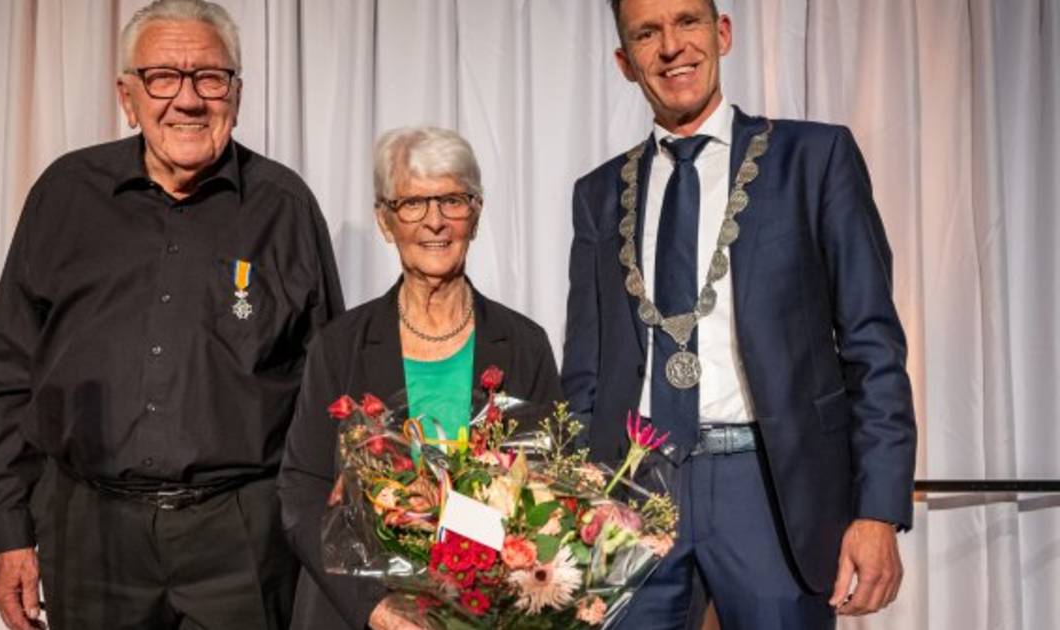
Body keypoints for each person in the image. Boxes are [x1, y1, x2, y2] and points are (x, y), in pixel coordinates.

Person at [0, 1, 344, 628]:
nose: (188, 99)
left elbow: (328, 395)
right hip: (89, 537)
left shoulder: (286, 208)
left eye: (210, 77)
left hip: (243, 541)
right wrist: (11, 530)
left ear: (237, 93)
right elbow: (6, 373)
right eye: (163, 76)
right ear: (127, 94)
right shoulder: (65, 194)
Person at [561, 0, 917, 628]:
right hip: (635, 492)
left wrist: (878, 509)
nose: (671, 46)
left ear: (722, 33)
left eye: (688, 22)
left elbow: (872, 344)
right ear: (624, 62)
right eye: (647, 33)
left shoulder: (814, 158)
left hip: (771, 486)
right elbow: (586, 371)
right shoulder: (599, 192)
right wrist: (579, 496)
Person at [278, 127, 563, 630]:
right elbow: (302, 492)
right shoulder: (339, 346)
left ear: (474, 214)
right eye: (412, 203)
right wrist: (376, 609)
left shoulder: (524, 344)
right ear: (385, 221)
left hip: (487, 613)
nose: (435, 222)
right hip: (358, 614)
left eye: (452, 200)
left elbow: (551, 493)